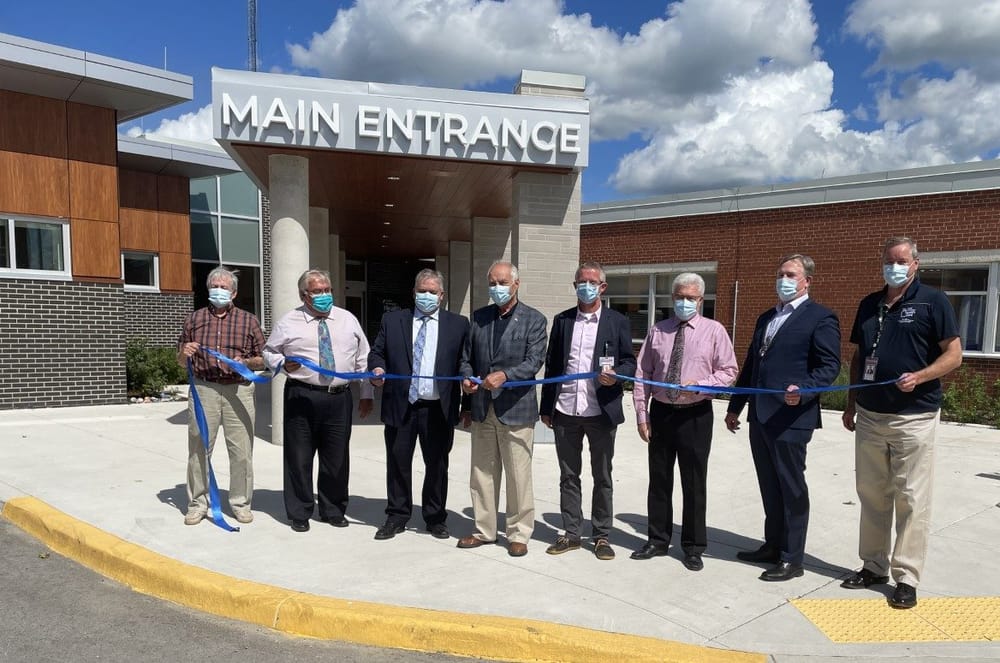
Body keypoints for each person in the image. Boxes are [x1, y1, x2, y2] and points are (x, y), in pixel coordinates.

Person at [841, 237, 961, 609]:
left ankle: (906, 576)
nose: (895, 266)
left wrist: (922, 376)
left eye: (902, 260)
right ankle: (873, 565)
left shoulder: (933, 301)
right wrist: (851, 404)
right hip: (872, 416)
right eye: (889, 260)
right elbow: (860, 357)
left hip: (914, 417)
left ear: (915, 264)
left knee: (911, 498)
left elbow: (954, 355)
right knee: (873, 496)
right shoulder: (869, 303)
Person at [725, 254, 840, 581]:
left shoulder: (821, 318)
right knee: (769, 486)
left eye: (791, 274)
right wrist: (736, 406)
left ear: (807, 281)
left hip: (792, 417)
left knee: (791, 488)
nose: (783, 280)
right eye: (780, 274)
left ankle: (792, 557)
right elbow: (751, 366)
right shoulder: (767, 317)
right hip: (760, 417)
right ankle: (772, 545)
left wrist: (804, 390)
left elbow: (828, 367)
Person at [630, 273, 738, 570]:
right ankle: (657, 539)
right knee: (659, 479)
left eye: (691, 298)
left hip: (696, 415)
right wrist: (642, 415)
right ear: (672, 298)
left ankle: (692, 546)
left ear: (701, 300)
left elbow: (729, 371)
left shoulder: (715, 331)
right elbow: (643, 375)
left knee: (693, 482)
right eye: (680, 297)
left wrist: (701, 385)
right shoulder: (658, 331)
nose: (685, 302)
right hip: (662, 413)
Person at [263, 269, 373, 532]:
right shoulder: (289, 321)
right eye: (317, 291)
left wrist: (366, 394)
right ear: (304, 295)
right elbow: (269, 352)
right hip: (302, 395)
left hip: (339, 398)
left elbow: (363, 358)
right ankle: (299, 511)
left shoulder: (347, 320)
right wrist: (281, 363)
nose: (324, 295)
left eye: (327, 290)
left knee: (336, 458)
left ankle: (332, 509)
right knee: (299, 457)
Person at [540, 262, 636, 561]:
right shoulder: (563, 320)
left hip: (601, 411)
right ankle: (571, 533)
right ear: (575, 285)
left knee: (602, 476)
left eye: (592, 281)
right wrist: (546, 407)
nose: (586, 286)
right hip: (566, 410)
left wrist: (617, 375)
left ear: (603, 287)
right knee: (569, 476)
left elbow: (629, 363)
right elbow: (553, 365)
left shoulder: (617, 321)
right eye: (581, 281)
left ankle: (601, 535)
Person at [368, 269, 470, 541]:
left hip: (438, 408)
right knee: (398, 463)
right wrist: (377, 370)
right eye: (422, 291)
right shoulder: (393, 321)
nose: (427, 296)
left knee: (437, 465)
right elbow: (377, 353)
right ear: (413, 293)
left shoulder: (458, 324)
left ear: (442, 296)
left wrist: (468, 394)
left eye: (432, 292)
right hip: (401, 405)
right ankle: (397, 515)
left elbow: (465, 362)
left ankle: (435, 518)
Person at [457, 261, 547, 557]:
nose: (497, 288)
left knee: (518, 476)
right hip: (484, 408)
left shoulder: (534, 319)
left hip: (516, 410)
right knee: (482, 472)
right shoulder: (479, 317)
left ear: (516, 285)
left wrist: (506, 376)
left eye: (502, 282)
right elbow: (467, 357)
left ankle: (519, 532)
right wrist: (467, 380)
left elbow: (534, 361)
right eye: (492, 283)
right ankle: (484, 530)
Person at [177, 266, 265, 526]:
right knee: (199, 447)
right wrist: (186, 353)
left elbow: (264, 358)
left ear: (234, 293)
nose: (218, 290)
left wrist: (245, 362)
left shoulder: (249, 321)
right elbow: (180, 359)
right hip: (205, 388)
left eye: (224, 287)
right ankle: (197, 504)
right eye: (214, 286)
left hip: (239, 389)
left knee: (241, 450)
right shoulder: (194, 319)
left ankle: (240, 503)